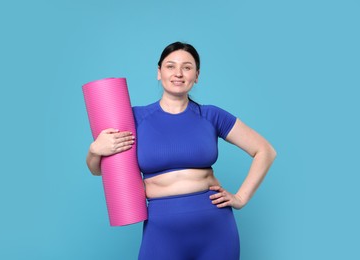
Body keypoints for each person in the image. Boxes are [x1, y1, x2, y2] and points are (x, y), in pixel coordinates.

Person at [86, 41, 276, 260]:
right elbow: (99, 170)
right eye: (170, 66)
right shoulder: (135, 118)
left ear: (197, 75)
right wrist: (95, 150)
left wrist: (241, 198)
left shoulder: (211, 115)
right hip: (161, 228)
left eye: (187, 67)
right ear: (159, 72)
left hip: (215, 226)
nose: (178, 73)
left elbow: (265, 150)